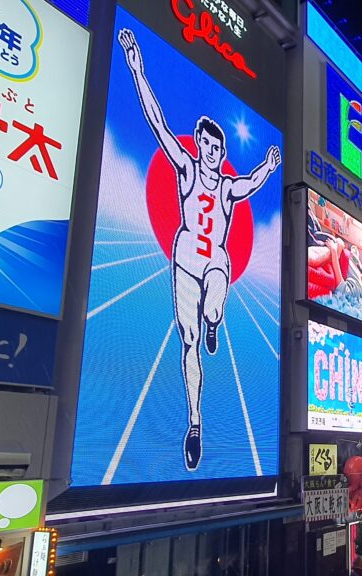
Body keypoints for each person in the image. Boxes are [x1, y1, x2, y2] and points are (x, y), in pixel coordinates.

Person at [119, 29, 281, 471]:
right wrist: (137, 69)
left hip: (215, 261)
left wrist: (268, 167)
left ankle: (215, 319)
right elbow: (158, 124)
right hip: (185, 259)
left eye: (216, 147)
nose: (210, 151)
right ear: (200, 144)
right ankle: (194, 423)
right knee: (187, 342)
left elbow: (250, 184)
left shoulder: (226, 186)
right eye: (205, 144)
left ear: (223, 151)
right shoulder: (187, 170)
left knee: (215, 291)